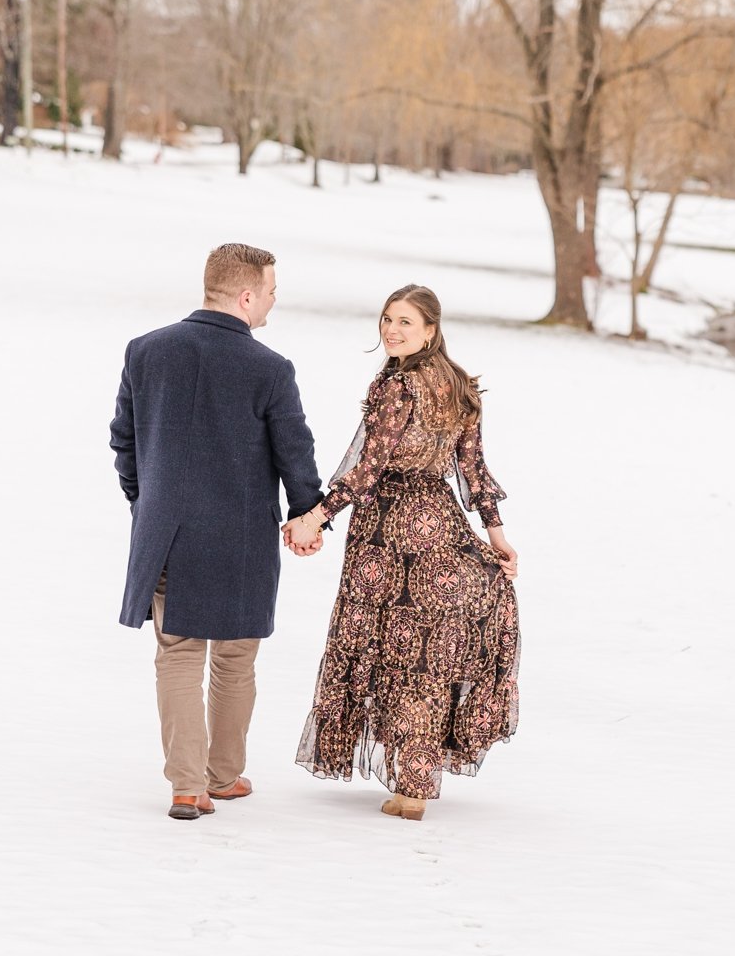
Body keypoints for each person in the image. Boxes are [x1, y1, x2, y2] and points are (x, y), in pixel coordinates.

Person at [286, 285, 520, 822]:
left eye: (405, 323)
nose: (392, 330)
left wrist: (314, 518)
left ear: (431, 331)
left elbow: (368, 469)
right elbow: (472, 471)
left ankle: (411, 786)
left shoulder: (399, 386)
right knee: (425, 656)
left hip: (389, 535)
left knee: (394, 650)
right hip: (440, 524)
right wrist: (495, 532)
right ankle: (413, 783)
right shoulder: (459, 385)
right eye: (387, 319)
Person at [109, 243, 325, 821]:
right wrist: (309, 510)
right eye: (272, 292)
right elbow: (295, 454)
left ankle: (186, 786)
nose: (274, 303)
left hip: (166, 533)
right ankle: (222, 777)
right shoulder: (270, 369)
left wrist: (147, 501)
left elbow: (123, 442)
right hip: (240, 536)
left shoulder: (145, 351)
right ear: (247, 295)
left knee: (177, 652)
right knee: (234, 656)